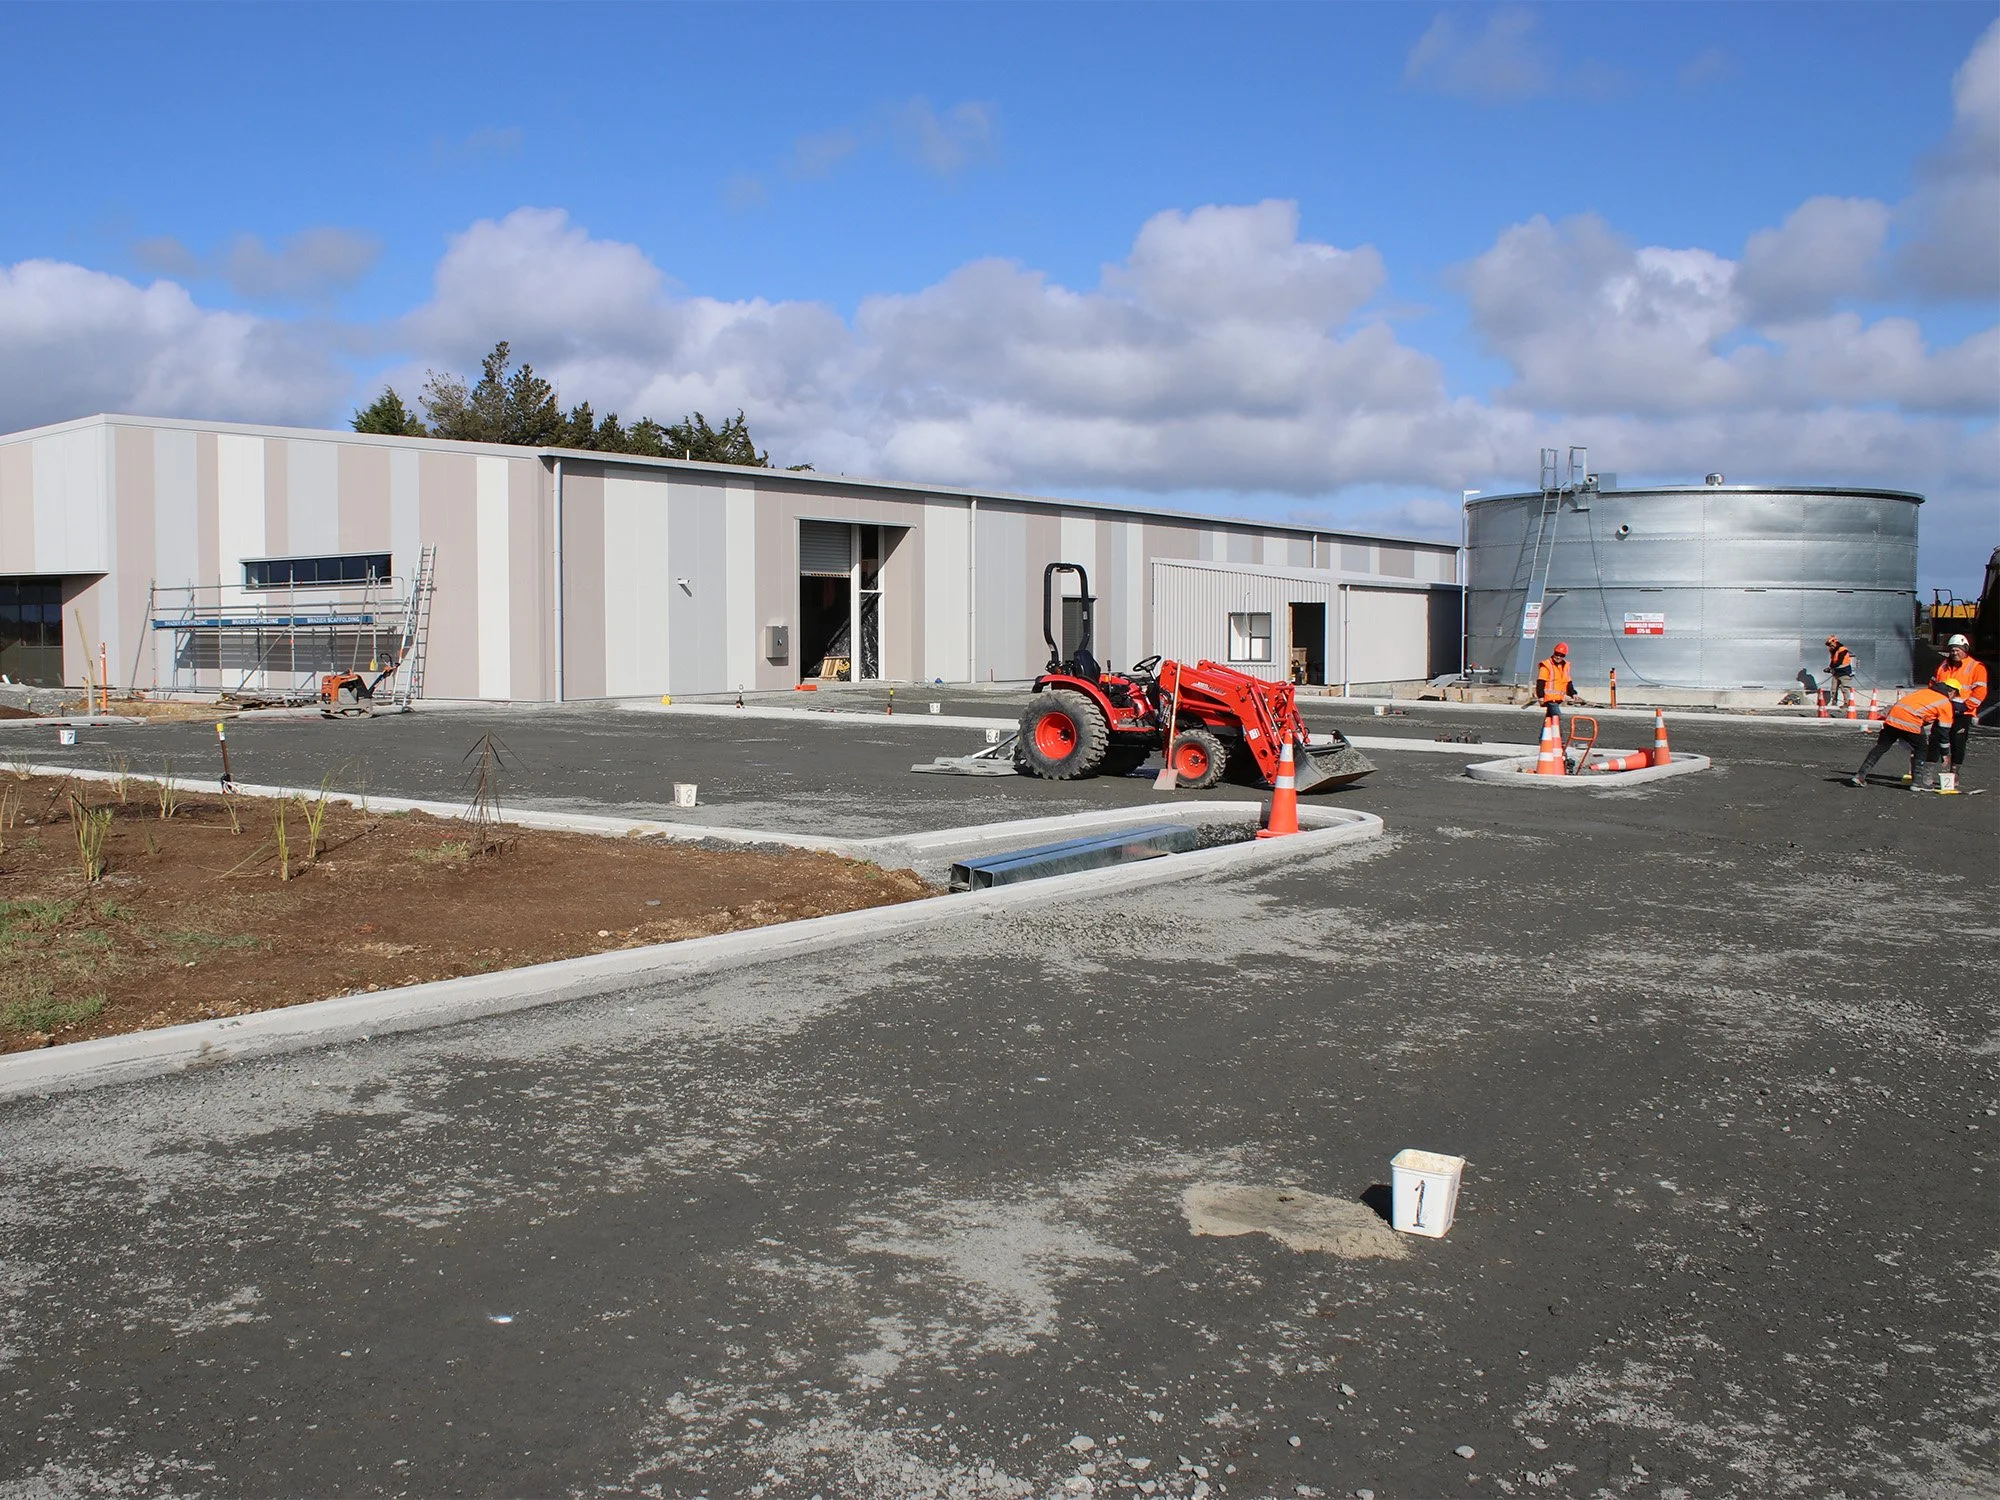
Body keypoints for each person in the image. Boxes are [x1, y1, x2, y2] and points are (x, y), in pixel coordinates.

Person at [1847, 684, 1953, 789]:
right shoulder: (1945, 703)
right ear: (1952, 692)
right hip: (1910, 721)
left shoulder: (1923, 692)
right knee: (1921, 748)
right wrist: (1944, 753)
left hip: (1893, 718)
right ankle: (1917, 783)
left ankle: (1860, 776)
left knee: (1881, 747)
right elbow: (1944, 731)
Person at [1929, 634, 1988, 776]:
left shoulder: (1976, 667)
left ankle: (1954, 775)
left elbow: (1980, 691)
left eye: (1958, 650)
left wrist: (1966, 706)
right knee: (1935, 741)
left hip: (1963, 713)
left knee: (1958, 743)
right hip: (1942, 711)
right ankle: (1927, 773)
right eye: (1952, 650)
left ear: (1965, 649)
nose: (1955, 652)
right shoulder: (1943, 666)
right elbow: (1933, 684)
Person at [1535, 642, 1584, 720]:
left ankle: (1546, 728)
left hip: (1558, 698)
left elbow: (1568, 682)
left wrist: (1573, 693)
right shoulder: (1546, 665)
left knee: (1549, 719)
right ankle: (1555, 728)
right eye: (1557, 654)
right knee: (1557, 718)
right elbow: (1540, 682)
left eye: (1561, 655)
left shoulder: (1565, 666)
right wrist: (1541, 696)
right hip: (1550, 698)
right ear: (1554, 653)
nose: (1558, 657)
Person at [1825, 636, 1856, 708]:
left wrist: (1831, 668)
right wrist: (1830, 667)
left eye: (1831, 645)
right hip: (1836, 672)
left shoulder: (1842, 649)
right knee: (1833, 688)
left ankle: (1847, 703)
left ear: (1835, 642)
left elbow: (1839, 661)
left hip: (1844, 672)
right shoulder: (1832, 650)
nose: (1830, 646)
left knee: (1845, 688)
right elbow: (1833, 660)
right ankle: (1834, 702)